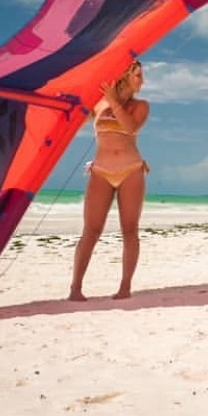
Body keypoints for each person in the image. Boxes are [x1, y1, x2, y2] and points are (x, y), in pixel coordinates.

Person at [69, 60, 150, 301]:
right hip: (101, 171)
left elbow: (131, 127)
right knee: (90, 231)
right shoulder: (98, 105)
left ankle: (125, 287)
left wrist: (112, 100)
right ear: (124, 75)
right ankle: (75, 287)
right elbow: (72, 123)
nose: (142, 81)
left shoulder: (141, 106)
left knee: (129, 230)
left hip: (131, 169)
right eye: (138, 75)